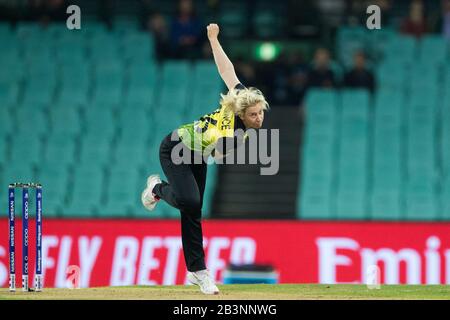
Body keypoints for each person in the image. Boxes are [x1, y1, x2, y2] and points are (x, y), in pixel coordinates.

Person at [140, 23, 269, 295]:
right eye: (254, 114)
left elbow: (226, 69)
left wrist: (213, 38)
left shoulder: (240, 97)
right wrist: (227, 146)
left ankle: (197, 272)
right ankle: (156, 189)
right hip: (175, 147)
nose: (259, 118)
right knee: (191, 200)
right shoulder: (234, 131)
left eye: (261, 113)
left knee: (192, 211)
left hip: (197, 153)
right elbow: (220, 152)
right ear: (244, 114)